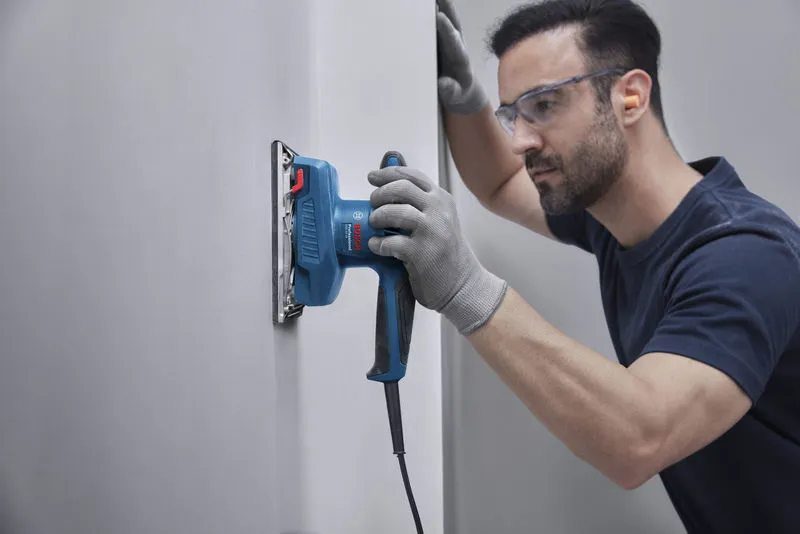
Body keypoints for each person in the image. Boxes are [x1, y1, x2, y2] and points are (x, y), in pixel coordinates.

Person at [366, 0, 800, 531]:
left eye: (544, 105)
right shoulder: (616, 215)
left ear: (630, 96)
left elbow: (639, 437)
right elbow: (502, 182)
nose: (520, 139)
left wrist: (464, 288)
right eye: (513, 115)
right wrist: (465, 95)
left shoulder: (745, 257)